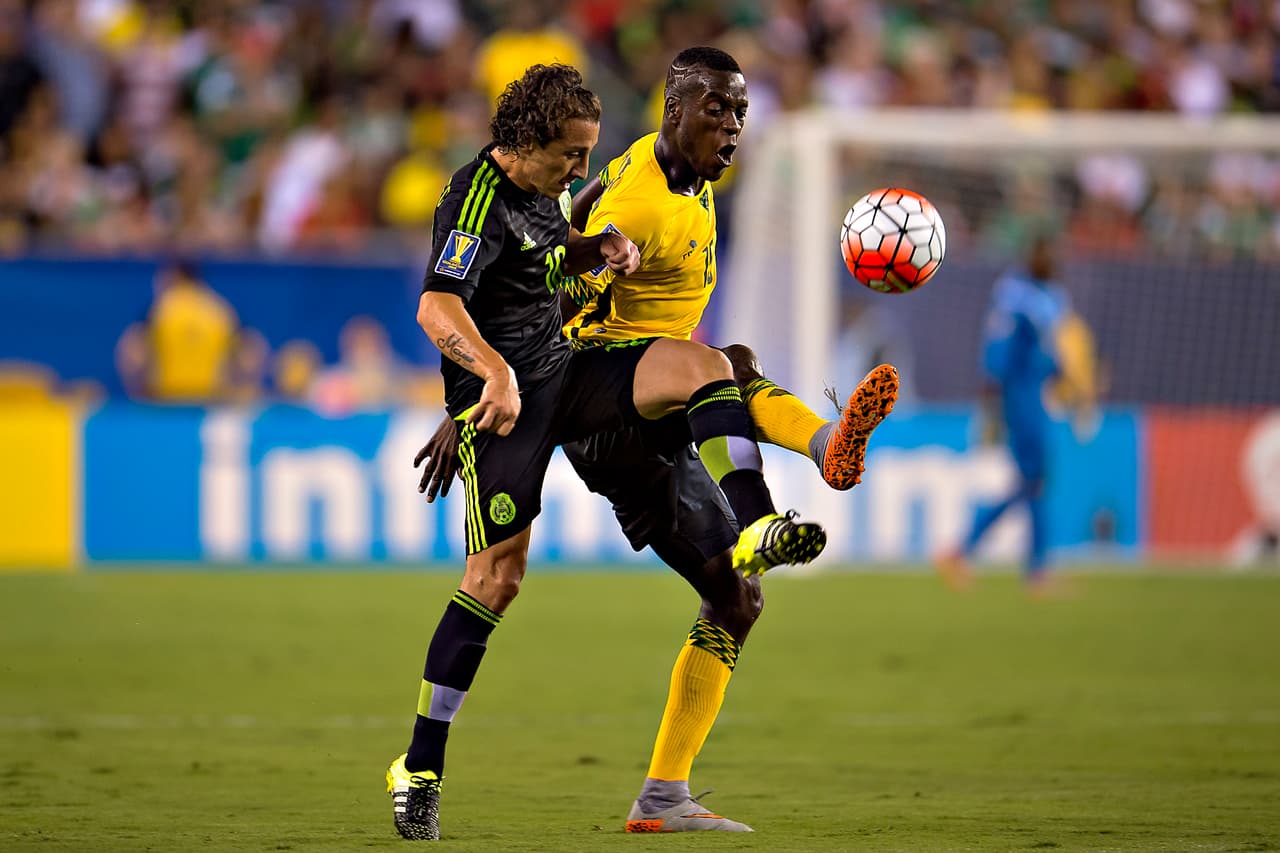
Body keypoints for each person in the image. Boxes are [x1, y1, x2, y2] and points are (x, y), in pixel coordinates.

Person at [411, 47, 899, 834]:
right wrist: (484, 385)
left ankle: (664, 795)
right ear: (675, 111)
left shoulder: (669, 183)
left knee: (736, 593)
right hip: (599, 395)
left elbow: (553, 251)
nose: (734, 126)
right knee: (713, 367)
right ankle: (766, 512)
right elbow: (542, 314)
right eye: (718, 110)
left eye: (740, 112)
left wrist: (584, 251)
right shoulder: (620, 198)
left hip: (650, 398)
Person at [936, 235, 1086, 593]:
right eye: (1045, 251)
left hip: (1035, 395)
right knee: (1034, 480)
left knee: (1031, 483)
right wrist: (993, 400)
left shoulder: (1047, 295)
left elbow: (1042, 349)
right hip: (1021, 400)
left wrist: (1060, 371)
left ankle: (975, 554)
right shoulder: (1017, 295)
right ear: (1032, 254)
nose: (1052, 259)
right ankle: (1028, 568)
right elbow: (1000, 348)